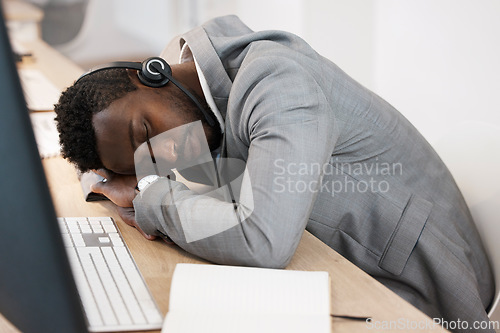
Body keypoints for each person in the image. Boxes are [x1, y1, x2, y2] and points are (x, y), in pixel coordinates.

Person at [54, 15, 494, 331]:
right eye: (144, 160)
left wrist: (150, 195)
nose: (165, 155)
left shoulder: (280, 86)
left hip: (415, 292)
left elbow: (263, 241)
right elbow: (109, 158)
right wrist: (106, 177)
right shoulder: (183, 81)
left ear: (150, 74)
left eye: (145, 131)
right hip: (330, 254)